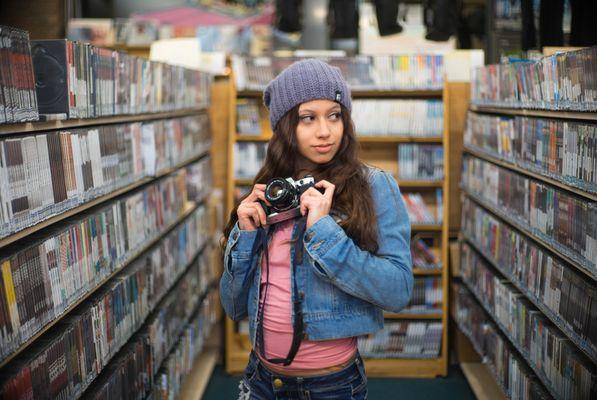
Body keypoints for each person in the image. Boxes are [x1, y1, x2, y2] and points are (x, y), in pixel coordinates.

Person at [220, 59, 413, 399]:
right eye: (308, 118)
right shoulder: (269, 193)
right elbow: (233, 306)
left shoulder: (374, 186)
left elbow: (398, 290)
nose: (325, 131)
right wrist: (245, 237)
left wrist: (325, 232)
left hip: (331, 387)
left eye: (334, 115)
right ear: (284, 127)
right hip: (261, 379)